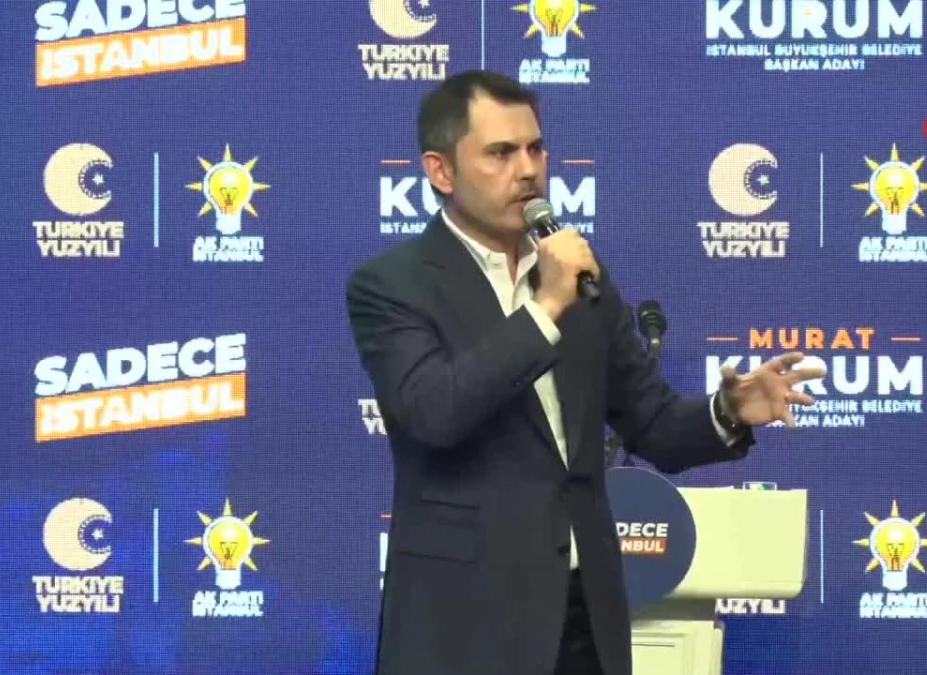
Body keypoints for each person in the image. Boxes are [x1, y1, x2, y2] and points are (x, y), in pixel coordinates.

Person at [347, 70, 824, 675]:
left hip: (583, 619)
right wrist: (545, 306)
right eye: (501, 153)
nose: (528, 170)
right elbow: (435, 412)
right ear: (441, 171)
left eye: (535, 148)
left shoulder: (581, 278)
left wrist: (729, 410)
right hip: (463, 621)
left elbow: (652, 422)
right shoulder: (393, 285)